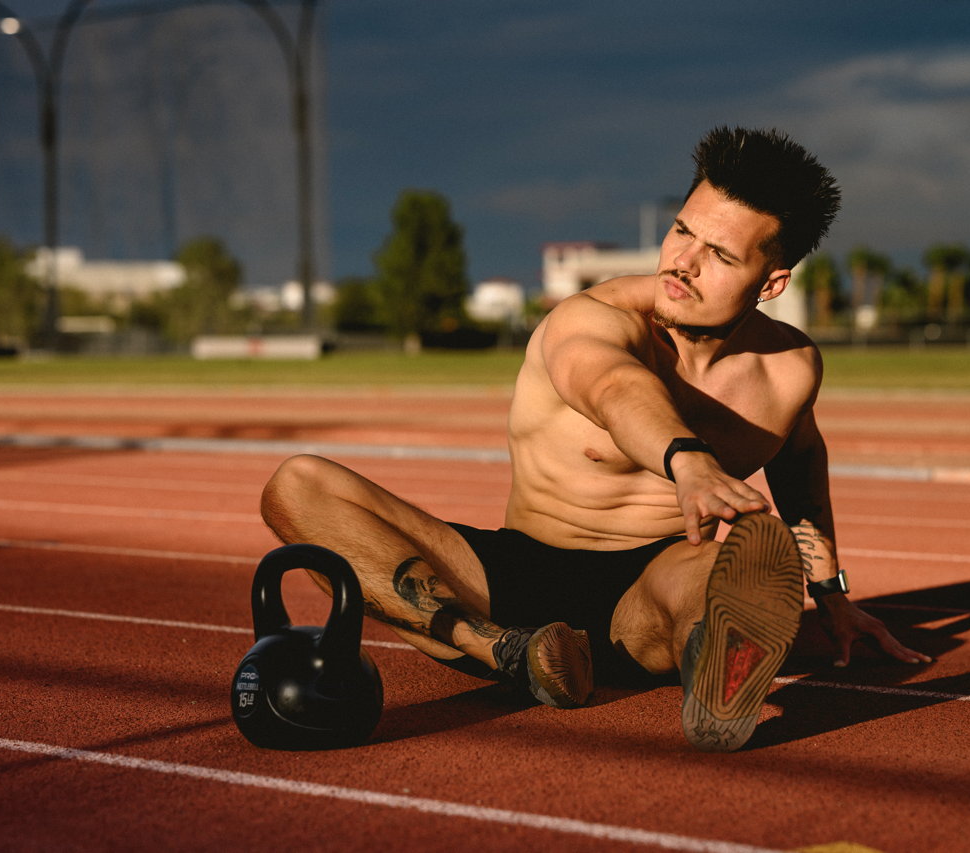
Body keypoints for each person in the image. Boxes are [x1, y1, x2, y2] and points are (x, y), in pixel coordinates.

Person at [261, 126, 930, 753]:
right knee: (298, 485)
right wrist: (687, 461)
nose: (683, 262)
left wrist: (834, 595)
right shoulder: (591, 318)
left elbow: (800, 459)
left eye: (720, 254)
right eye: (681, 230)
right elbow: (616, 391)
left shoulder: (790, 369)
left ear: (772, 281)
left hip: (651, 585)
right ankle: (507, 650)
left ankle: (717, 670)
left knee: (740, 562)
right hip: (507, 578)